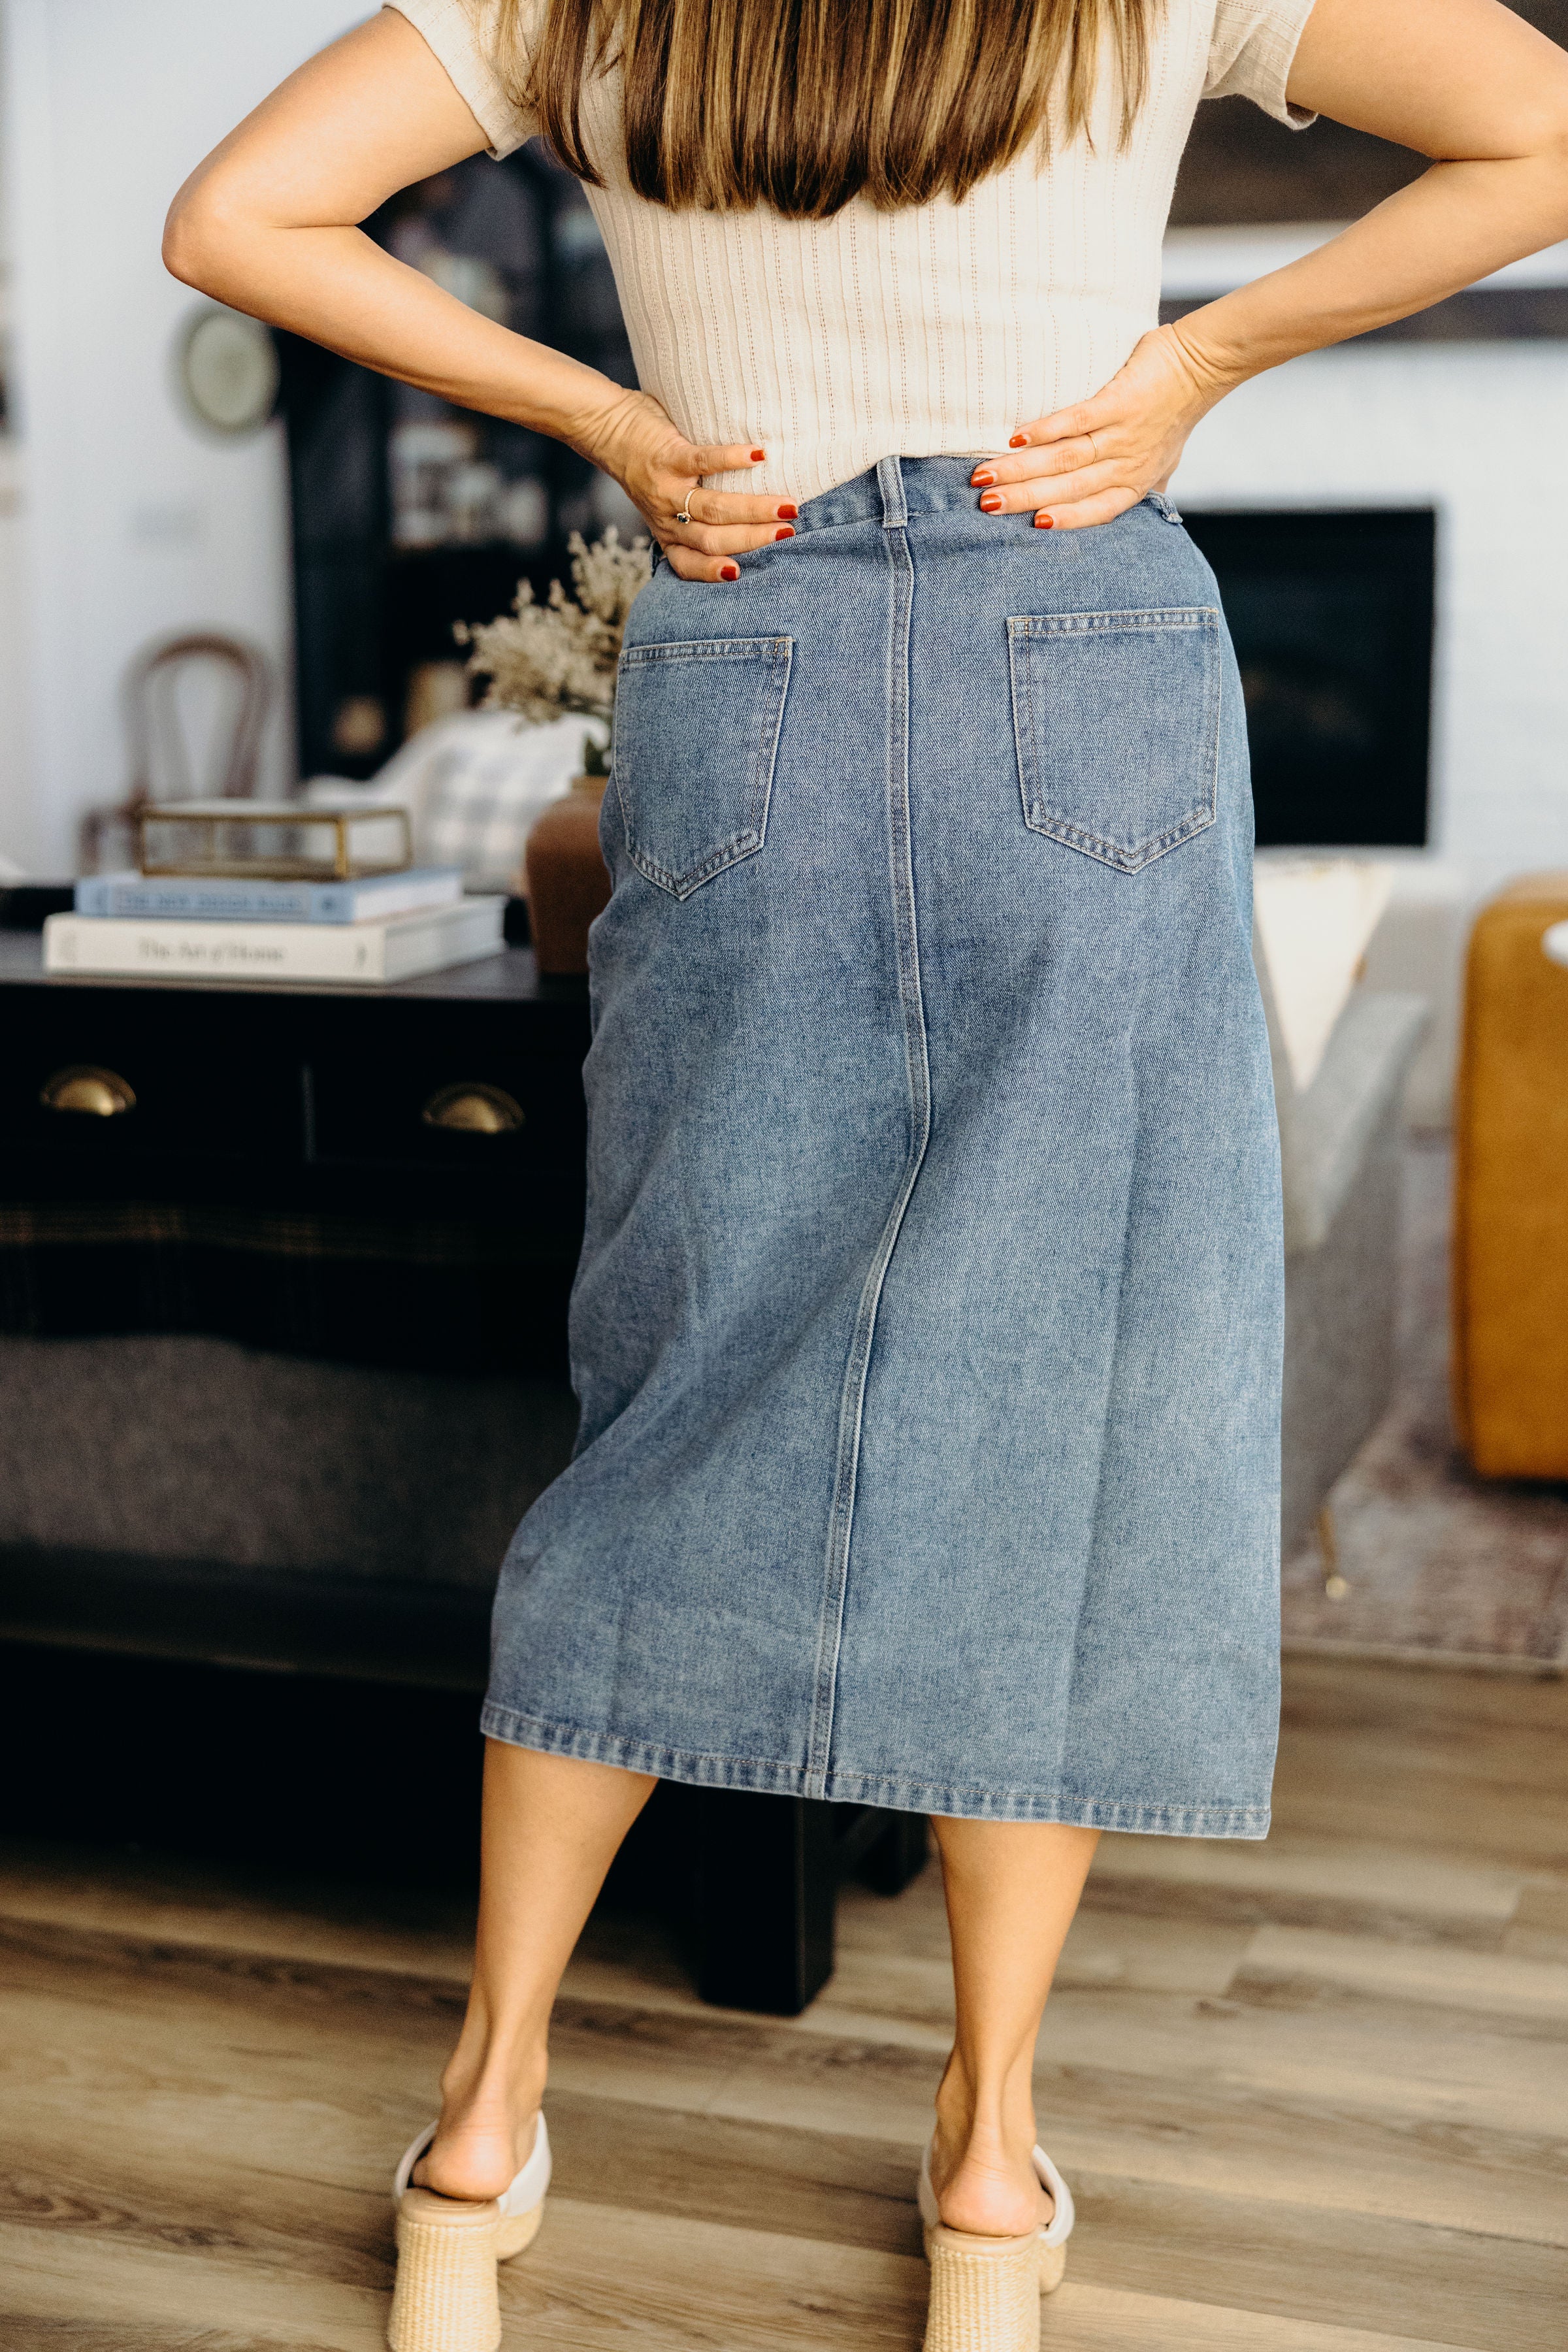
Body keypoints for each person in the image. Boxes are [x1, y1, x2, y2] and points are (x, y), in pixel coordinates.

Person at [165, 3, 1568, 2345]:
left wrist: (612, 420)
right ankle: (994, 2169)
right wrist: (1199, 361)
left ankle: (482, 2129)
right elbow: (1543, 130)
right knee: (1076, 1418)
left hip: (752, 656)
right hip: (1091, 630)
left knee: (678, 1394)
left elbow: (235, 218)